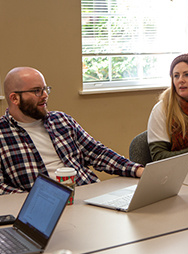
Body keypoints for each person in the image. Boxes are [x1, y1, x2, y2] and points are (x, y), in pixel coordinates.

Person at [0, 67, 144, 195]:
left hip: (87, 194)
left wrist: (138, 170)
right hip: (42, 208)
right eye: (37, 91)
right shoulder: (2, 133)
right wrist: (34, 201)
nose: (45, 95)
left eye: (45, 89)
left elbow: (97, 153)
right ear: (15, 98)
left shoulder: (61, 120)